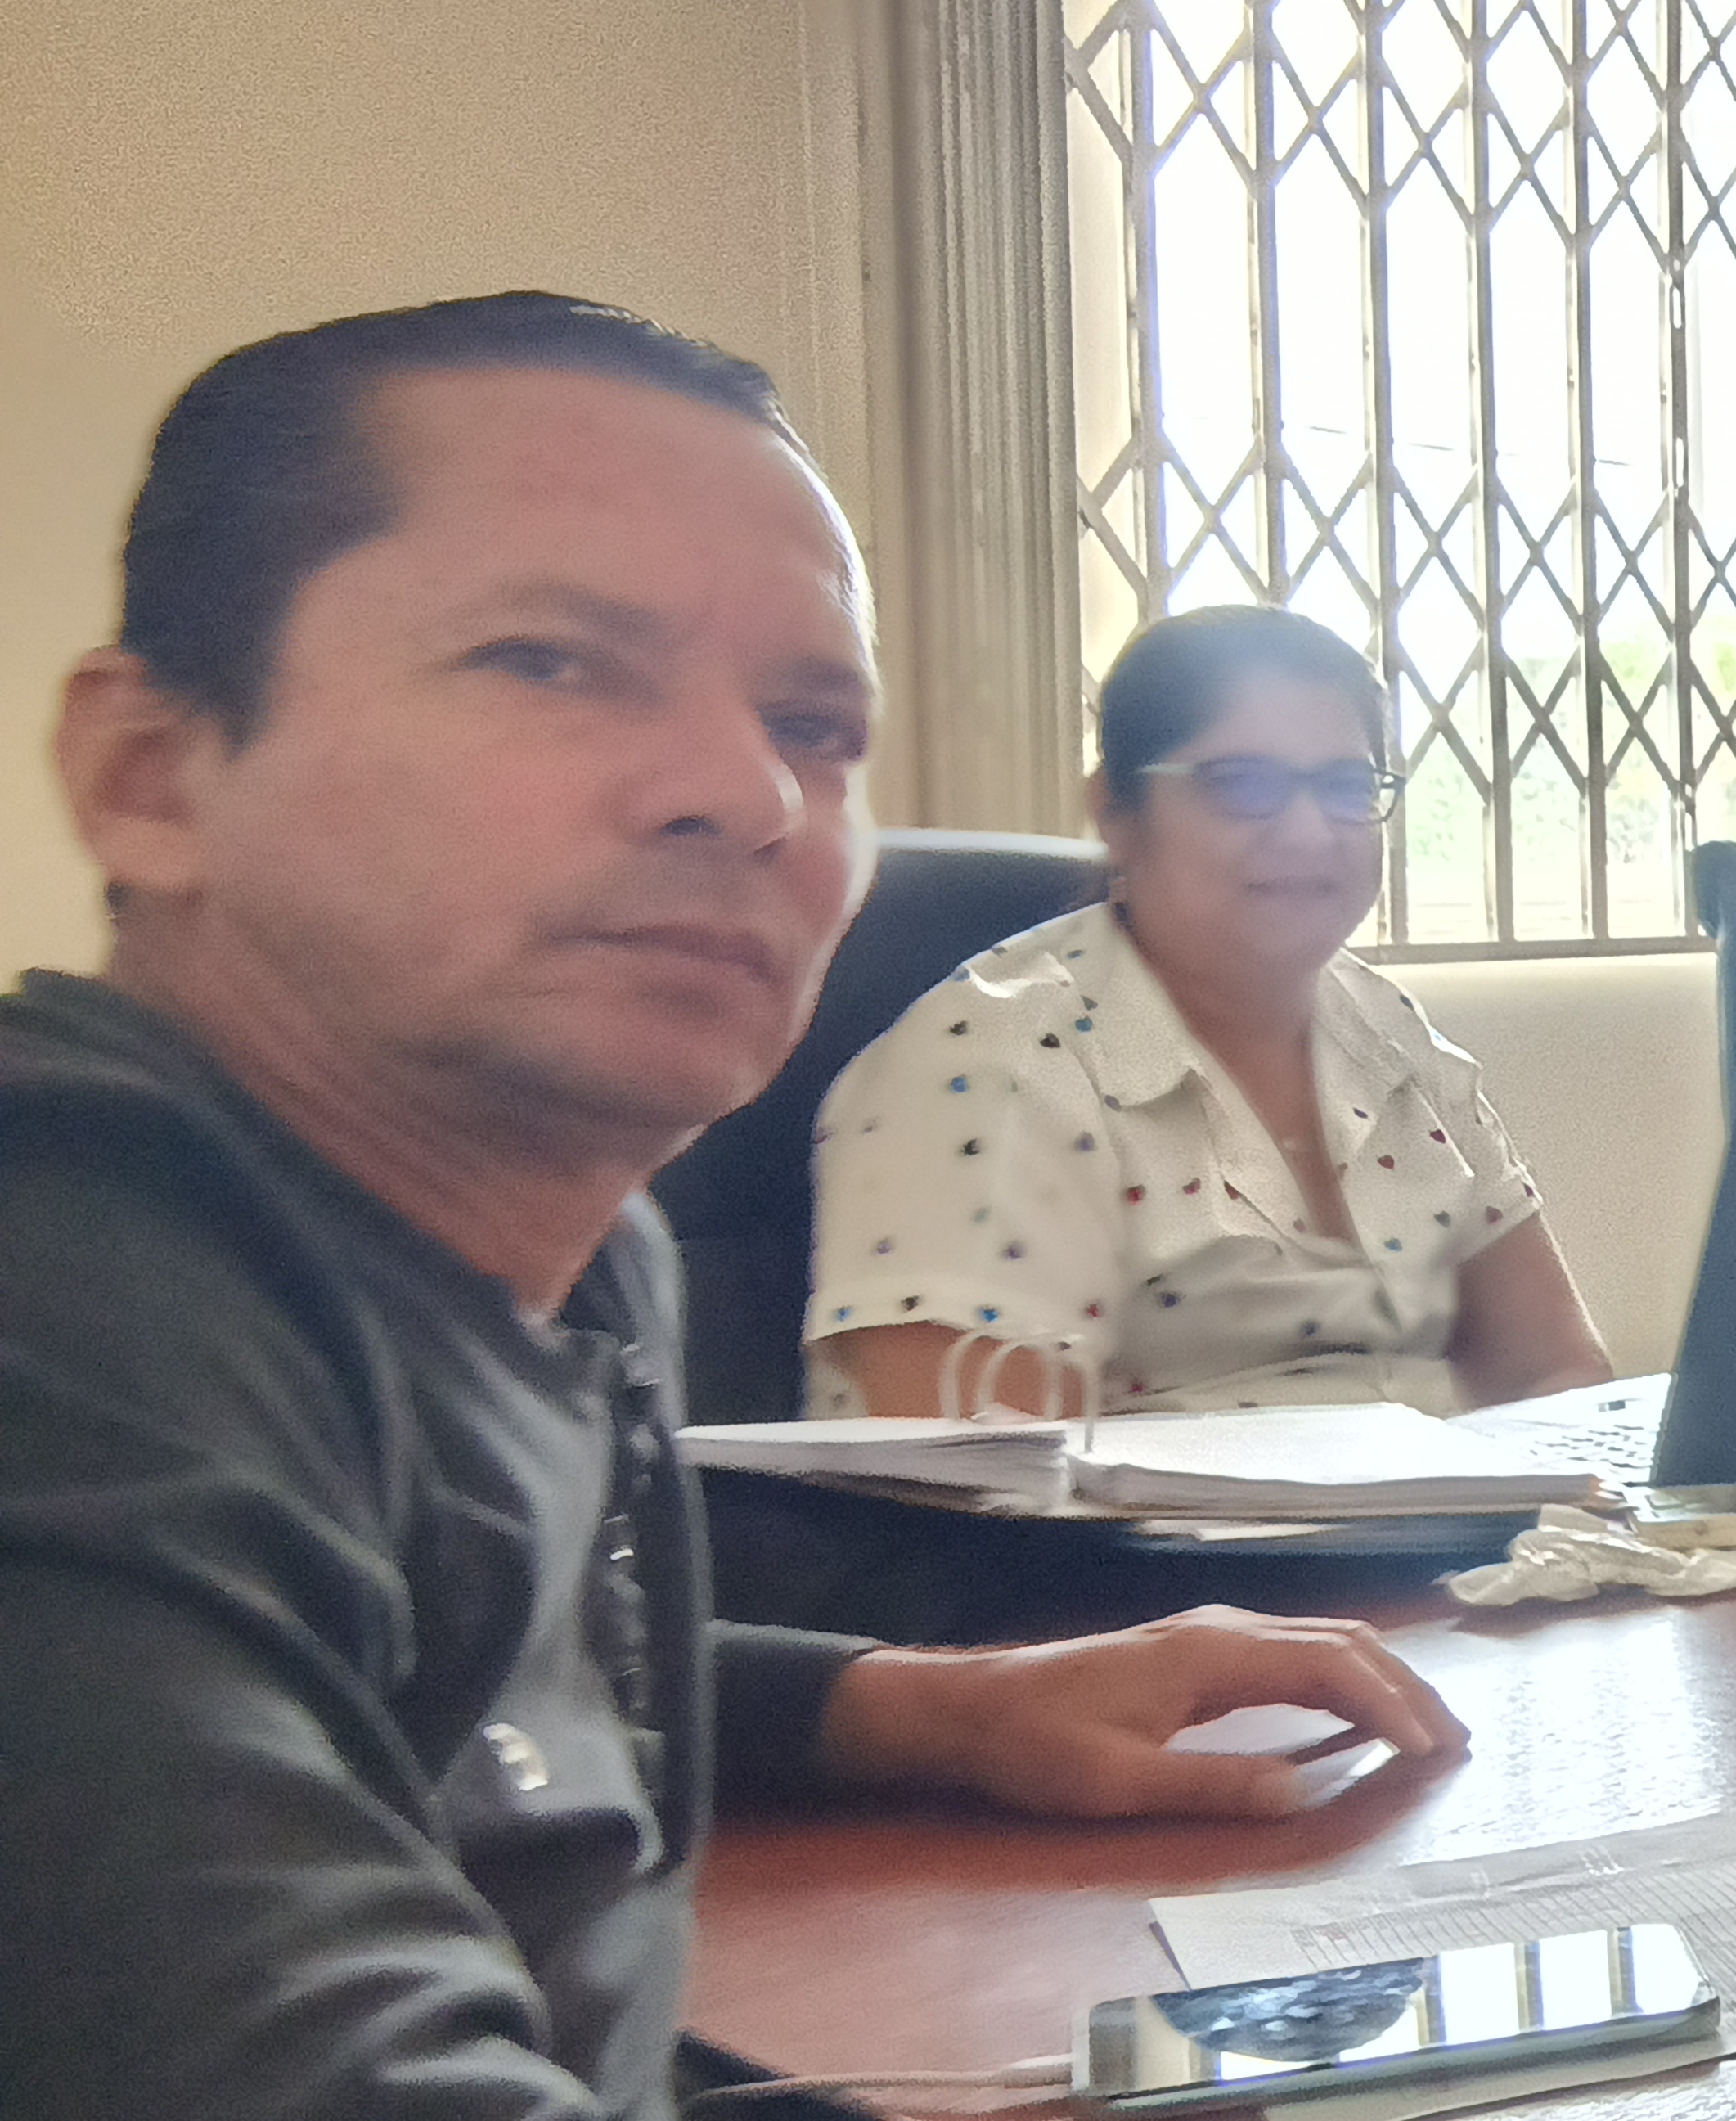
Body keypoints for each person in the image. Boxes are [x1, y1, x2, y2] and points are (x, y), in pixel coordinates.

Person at [0, 292, 1465, 2120]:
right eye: (548, 662)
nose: (746, 792)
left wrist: (941, 1709)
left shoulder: (571, 1250)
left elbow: (457, 1685)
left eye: (812, 721)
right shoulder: (62, 1302)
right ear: (148, 775)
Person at [803, 605, 1619, 1424]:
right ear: (1116, 812)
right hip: (1153, 1518)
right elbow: (988, 1476)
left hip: (1462, 1505)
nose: (1310, 832)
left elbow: (1558, 1372)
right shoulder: (994, 1068)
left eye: (1345, 786)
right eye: (1243, 784)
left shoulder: (1390, 1032)